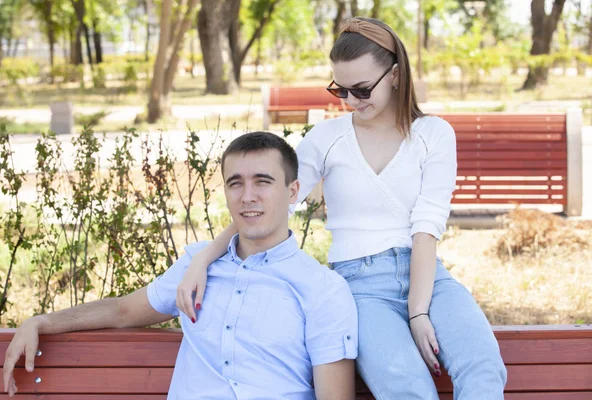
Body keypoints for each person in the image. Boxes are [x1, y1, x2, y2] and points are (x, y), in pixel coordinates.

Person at [175, 17, 507, 400]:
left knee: (483, 368)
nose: (351, 101)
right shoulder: (328, 139)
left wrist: (418, 311)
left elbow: (426, 228)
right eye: (341, 90)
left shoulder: (434, 135)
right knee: (407, 388)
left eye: (362, 89)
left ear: (396, 75)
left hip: (429, 278)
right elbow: (267, 205)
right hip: (358, 286)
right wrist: (203, 259)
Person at [3, 131, 359, 400]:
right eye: (236, 183)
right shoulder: (197, 265)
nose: (247, 196)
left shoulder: (323, 289)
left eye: (262, 182)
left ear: (293, 191)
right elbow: (123, 310)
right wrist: (42, 321)